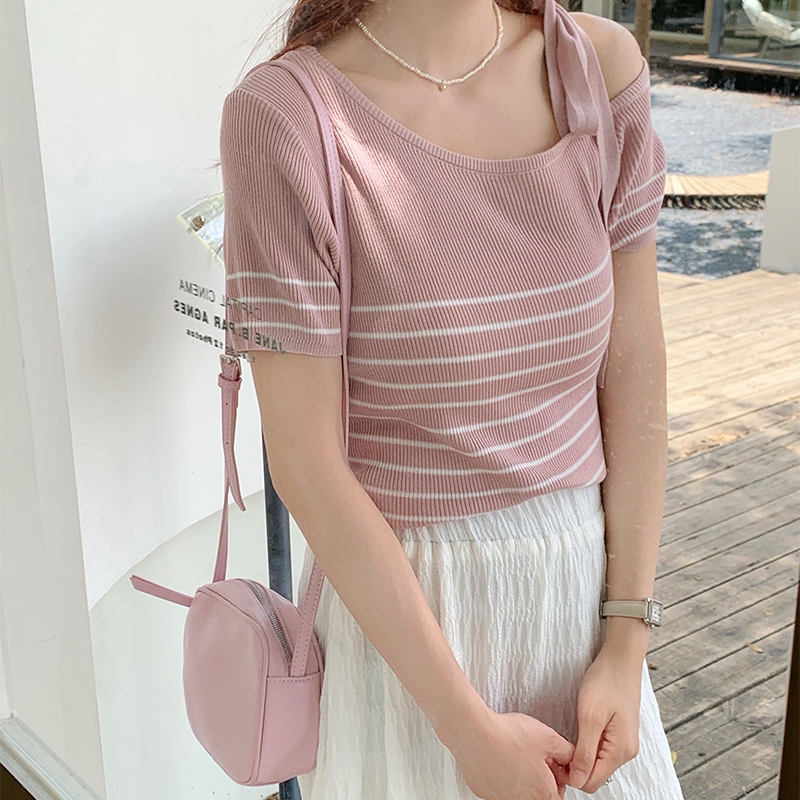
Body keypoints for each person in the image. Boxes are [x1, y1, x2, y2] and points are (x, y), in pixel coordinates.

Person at [219, 0, 685, 797]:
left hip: (584, 622)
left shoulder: (596, 71)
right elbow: (305, 463)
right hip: (412, 640)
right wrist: (465, 728)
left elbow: (635, 369)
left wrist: (625, 639)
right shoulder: (288, 117)